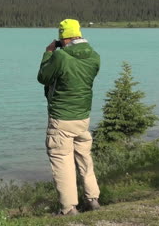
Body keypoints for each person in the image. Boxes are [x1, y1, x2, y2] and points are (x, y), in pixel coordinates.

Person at [37, 19, 101, 215]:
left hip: (61, 118)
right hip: (82, 117)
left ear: (63, 38)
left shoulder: (60, 57)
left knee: (62, 159)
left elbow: (43, 77)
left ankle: (68, 208)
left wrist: (48, 53)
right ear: (79, 34)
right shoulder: (94, 57)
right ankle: (93, 199)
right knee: (84, 157)